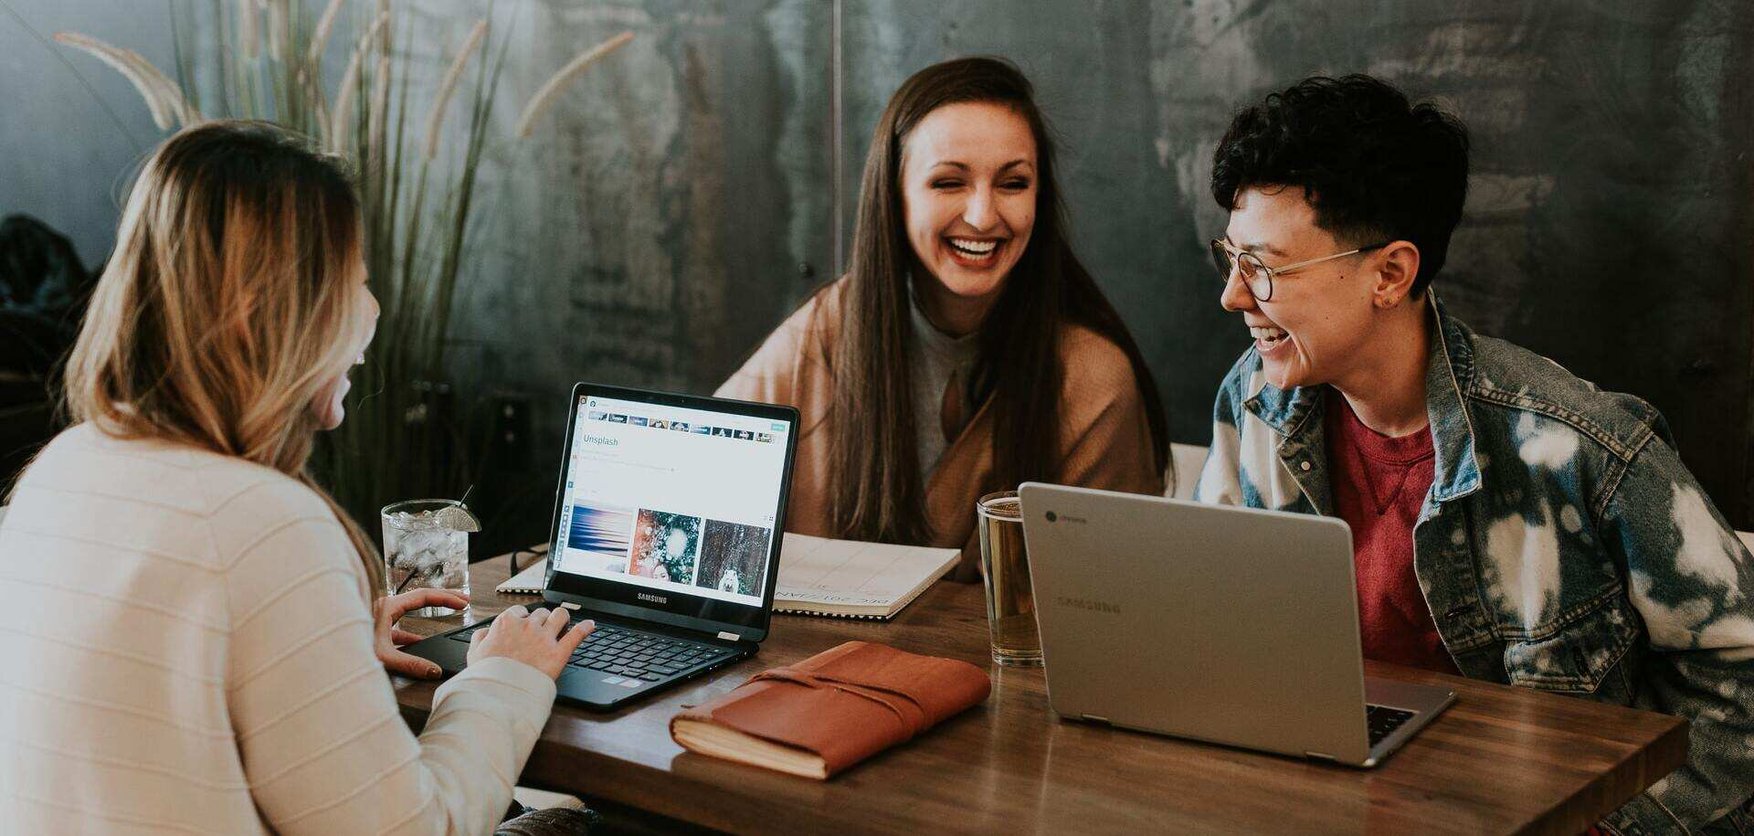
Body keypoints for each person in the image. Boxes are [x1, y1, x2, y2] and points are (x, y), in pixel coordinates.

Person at [1194, 74, 1754, 833]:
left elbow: (1738, 679)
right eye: (1230, 255)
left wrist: (1598, 825)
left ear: (1389, 274)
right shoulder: (1256, 400)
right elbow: (1205, 625)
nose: (1232, 295)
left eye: (1263, 266)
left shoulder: (1578, 447)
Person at [0, 121, 595, 833]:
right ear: (272, 312)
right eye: (356, 284)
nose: (371, 316)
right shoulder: (264, 523)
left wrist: (324, 643)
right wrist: (507, 676)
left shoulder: (60, 470)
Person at [719, 56, 1168, 578]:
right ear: (895, 196)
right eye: (949, 183)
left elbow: (1113, 601)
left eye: (1013, 183)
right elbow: (695, 479)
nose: (982, 215)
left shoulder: (1092, 378)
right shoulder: (825, 331)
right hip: (816, 659)